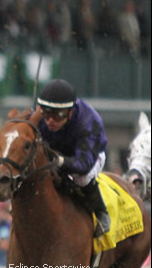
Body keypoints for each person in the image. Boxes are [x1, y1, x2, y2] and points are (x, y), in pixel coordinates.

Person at [35, 79, 109, 237]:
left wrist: (60, 161)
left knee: (81, 178)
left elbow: (84, 164)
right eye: (46, 113)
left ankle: (101, 213)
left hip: (89, 155)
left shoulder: (89, 121)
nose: (50, 120)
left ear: (70, 111)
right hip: (55, 153)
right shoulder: (37, 117)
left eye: (57, 115)